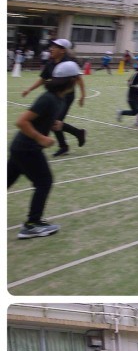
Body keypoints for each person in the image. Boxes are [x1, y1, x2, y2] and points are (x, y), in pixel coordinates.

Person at [8, 60, 83, 239]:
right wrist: (40, 138)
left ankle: (33, 223)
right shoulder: (48, 98)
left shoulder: (59, 98)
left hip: (20, 148)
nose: (78, 81)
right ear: (71, 80)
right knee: (44, 182)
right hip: (28, 148)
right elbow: (21, 121)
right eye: (77, 78)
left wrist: (55, 124)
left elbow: (42, 118)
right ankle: (32, 225)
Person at [21, 38, 86, 157]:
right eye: (51, 47)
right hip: (55, 95)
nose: (51, 49)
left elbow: (79, 79)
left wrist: (83, 95)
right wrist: (29, 89)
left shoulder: (69, 64)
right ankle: (76, 135)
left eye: (54, 47)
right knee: (54, 122)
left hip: (66, 96)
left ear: (62, 50)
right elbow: (42, 79)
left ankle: (64, 145)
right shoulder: (50, 63)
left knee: (54, 122)